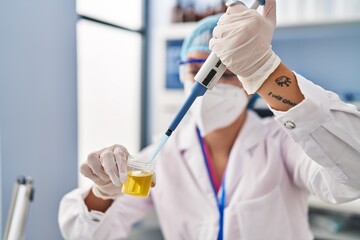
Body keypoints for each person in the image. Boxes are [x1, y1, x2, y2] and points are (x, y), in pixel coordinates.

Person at [58, 0, 360, 239]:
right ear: (182, 75)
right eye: (197, 71)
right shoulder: (162, 157)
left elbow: (353, 173)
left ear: (248, 83)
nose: (210, 85)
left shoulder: (282, 144)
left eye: (228, 74)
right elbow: (85, 234)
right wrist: (103, 192)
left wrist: (265, 69)